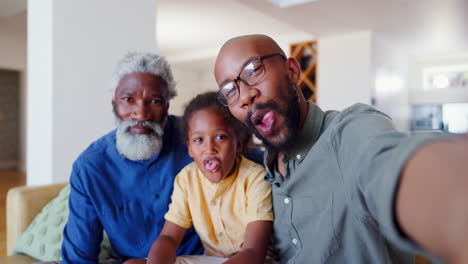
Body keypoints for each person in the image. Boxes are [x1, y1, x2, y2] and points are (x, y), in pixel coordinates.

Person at [213, 34, 468, 263]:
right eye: (229, 90)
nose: (245, 96)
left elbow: (393, 166)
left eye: (253, 70)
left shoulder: (350, 131)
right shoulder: (263, 174)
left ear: (292, 71)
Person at [59, 52, 204, 264]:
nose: (141, 114)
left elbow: (246, 156)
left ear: (167, 105)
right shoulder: (90, 167)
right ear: (114, 103)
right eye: (128, 100)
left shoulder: (198, 140)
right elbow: (79, 257)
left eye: (155, 101)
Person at [124, 92, 273, 264]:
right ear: (190, 149)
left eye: (220, 137)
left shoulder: (255, 178)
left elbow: (253, 251)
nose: (209, 148)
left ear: (238, 143)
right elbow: (169, 237)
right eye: (199, 139)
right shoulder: (186, 179)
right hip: (211, 260)